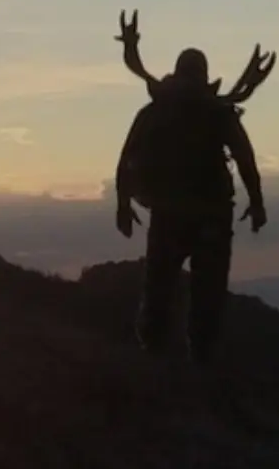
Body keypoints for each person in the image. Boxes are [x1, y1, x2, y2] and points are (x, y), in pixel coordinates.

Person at [114, 46, 268, 366]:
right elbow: (244, 158)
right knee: (207, 294)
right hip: (211, 215)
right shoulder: (218, 111)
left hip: (167, 213)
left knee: (159, 287)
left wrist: (123, 204)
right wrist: (256, 202)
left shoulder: (154, 111)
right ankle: (202, 360)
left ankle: (153, 356)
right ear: (205, 75)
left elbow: (126, 158)